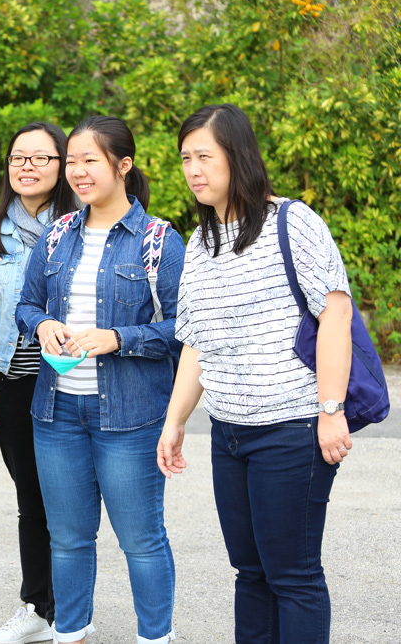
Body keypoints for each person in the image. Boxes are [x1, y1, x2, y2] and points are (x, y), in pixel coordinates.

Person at [158, 104, 353, 643]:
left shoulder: (293, 222)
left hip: (290, 429)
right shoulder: (201, 243)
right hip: (229, 434)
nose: (193, 170)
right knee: (250, 572)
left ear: (238, 155)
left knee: (292, 575)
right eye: (185, 159)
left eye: (204, 156)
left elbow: (335, 313)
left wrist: (330, 411)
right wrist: (175, 421)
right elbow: (196, 341)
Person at [15, 116, 184, 644]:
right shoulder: (56, 235)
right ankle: (71, 633)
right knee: (67, 539)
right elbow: (25, 305)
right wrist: (42, 325)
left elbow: (184, 328)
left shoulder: (159, 241)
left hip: (131, 417)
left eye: (90, 160)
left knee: (141, 540)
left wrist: (118, 338)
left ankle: (155, 637)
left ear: (123, 165)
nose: (78, 172)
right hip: (57, 413)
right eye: (72, 162)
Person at [0, 122, 77, 644]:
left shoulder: (82, 224)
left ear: (62, 165)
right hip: (15, 383)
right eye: (18, 157)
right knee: (32, 501)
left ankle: (72, 611)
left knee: (72, 500)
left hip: (74, 379)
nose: (27, 166)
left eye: (40, 157)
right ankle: (38, 607)